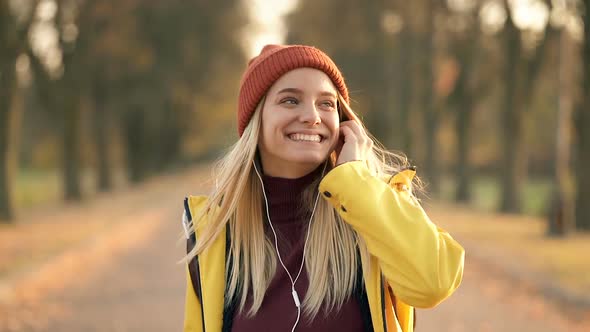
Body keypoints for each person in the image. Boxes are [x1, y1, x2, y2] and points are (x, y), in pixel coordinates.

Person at [181, 44, 465, 332]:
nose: (312, 116)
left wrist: (355, 181)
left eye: (327, 103)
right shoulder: (214, 231)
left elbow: (434, 283)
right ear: (257, 119)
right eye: (291, 101)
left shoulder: (374, 207)